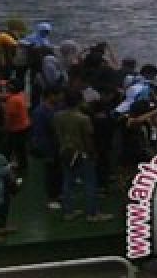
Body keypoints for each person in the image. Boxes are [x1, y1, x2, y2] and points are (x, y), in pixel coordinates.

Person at [53, 89, 113, 222]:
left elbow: (58, 135)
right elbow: (88, 139)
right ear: (80, 101)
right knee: (90, 183)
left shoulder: (57, 116)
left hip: (65, 151)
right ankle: (92, 213)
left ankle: (68, 212)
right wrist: (92, 153)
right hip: (82, 153)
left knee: (67, 182)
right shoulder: (83, 119)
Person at [30, 86, 64, 210]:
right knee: (51, 173)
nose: (61, 97)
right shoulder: (39, 112)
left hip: (59, 145)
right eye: (58, 95)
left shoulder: (58, 108)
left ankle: (59, 194)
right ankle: (52, 198)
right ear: (51, 95)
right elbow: (39, 133)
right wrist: (45, 151)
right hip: (49, 146)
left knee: (59, 172)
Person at [3, 78, 32, 172]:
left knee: (10, 148)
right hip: (25, 125)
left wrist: (6, 128)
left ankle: (11, 166)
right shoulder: (21, 95)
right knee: (21, 149)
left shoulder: (12, 100)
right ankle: (23, 165)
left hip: (16, 128)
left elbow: (9, 117)